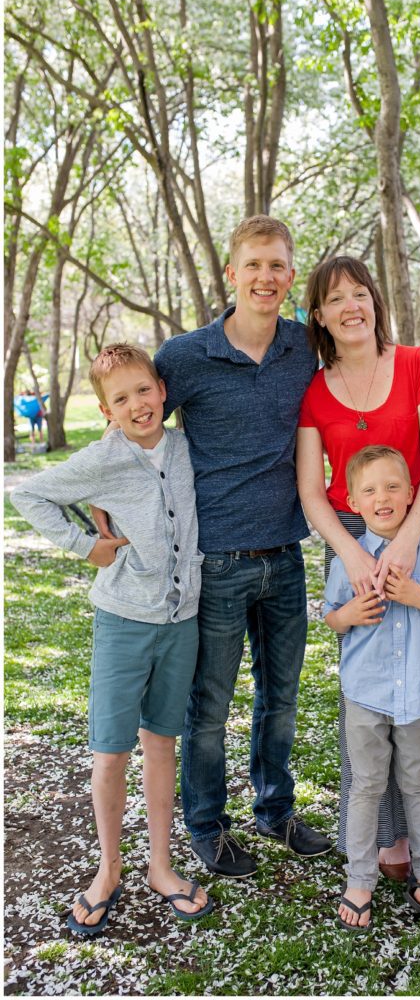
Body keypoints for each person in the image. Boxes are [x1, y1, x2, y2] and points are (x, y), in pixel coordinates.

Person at [11, 344, 211, 935]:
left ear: (162, 391)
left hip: (182, 623)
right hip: (124, 621)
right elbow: (27, 494)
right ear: (106, 410)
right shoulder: (103, 459)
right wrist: (86, 546)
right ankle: (108, 869)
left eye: (144, 391)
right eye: (121, 398)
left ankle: (161, 866)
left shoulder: (184, 448)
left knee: (161, 744)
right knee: (111, 751)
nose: (137, 405)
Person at [153, 215, 331, 877]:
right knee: (211, 705)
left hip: (285, 555)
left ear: (291, 274)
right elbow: (138, 427)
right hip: (217, 563)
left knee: (279, 699)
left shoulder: (305, 348)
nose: (266, 277)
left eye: (278, 265)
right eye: (253, 264)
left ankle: (275, 810)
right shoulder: (184, 356)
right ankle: (206, 825)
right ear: (232, 274)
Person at [296, 256, 420, 880]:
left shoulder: (418, 364)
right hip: (353, 542)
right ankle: (381, 838)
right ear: (318, 315)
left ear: (375, 300)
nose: (351, 306)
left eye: (360, 293)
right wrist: (355, 552)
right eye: (335, 298)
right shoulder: (316, 389)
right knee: (370, 689)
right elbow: (314, 491)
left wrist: (405, 545)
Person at [324, 446, 420, 929]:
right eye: (369, 490)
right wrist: (347, 615)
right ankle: (360, 879)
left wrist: (418, 597)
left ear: (412, 493)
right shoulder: (350, 559)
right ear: (352, 501)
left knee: (417, 784)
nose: (382, 498)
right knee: (366, 787)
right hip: (365, 694)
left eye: (392, 487)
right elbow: (333, 617)